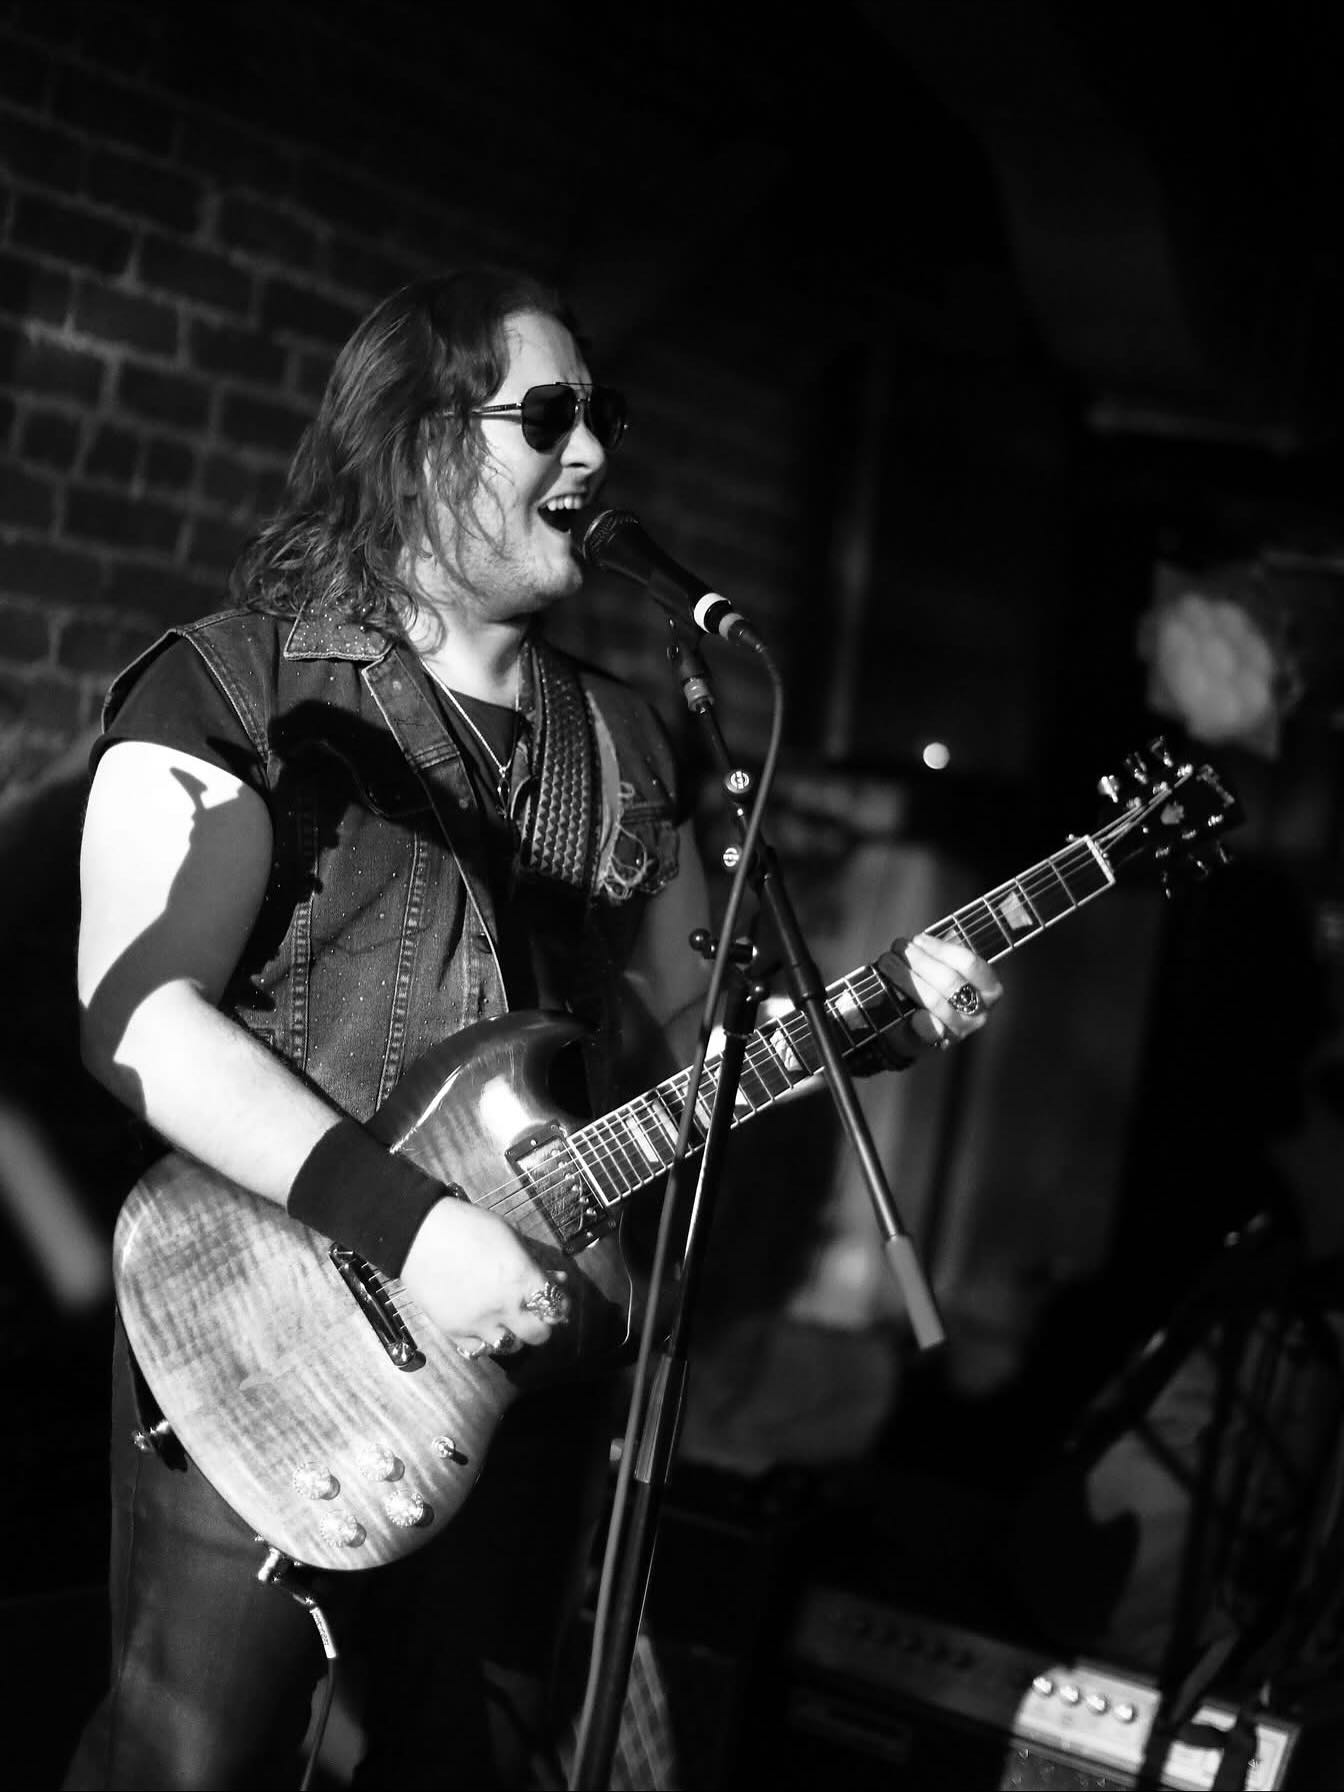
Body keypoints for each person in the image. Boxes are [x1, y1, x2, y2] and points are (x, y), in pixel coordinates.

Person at [63, 268, 1003, 1790]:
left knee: (470, 1755)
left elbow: (698, 1043)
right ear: (418, 444)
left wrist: (875, 1024)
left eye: (601, 415)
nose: (593, 454)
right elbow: (141, 1020)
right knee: (192, 1761)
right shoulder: (235, 688)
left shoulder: (628, 736)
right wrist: (414, 1227)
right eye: (548, 416)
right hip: (268, 1325)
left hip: (528, 1356)